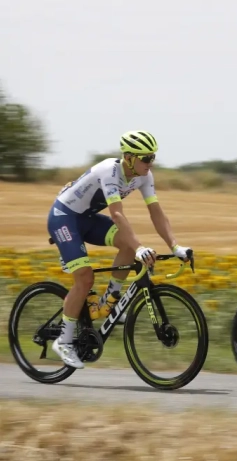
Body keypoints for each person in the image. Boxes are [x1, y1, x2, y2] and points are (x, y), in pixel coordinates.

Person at [47, 130, 192, 369]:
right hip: (64, 217)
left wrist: (175, 246)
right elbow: (116, 214)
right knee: (84, 278)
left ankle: (108, 301)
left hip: (87, 217)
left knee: (126, 244)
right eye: (146, 158)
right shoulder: (109, 171)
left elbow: (156, 212)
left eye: (152, 157)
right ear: (128, 157)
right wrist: (140, 247)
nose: (150, 162)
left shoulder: (144, 175)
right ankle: (63, 340)